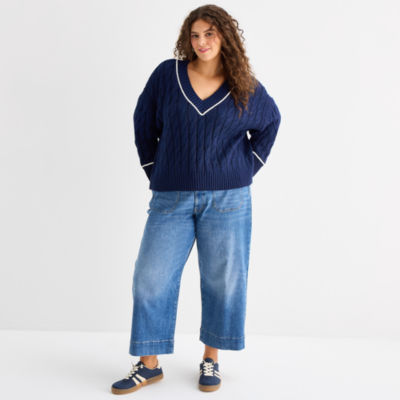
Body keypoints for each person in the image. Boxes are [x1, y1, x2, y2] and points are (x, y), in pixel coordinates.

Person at [111, 4, 281, 394]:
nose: (201, 42)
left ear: (225, 37)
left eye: (209, 33)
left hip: (229, 201)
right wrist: (156, 170)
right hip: (170, 199)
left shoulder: (244, 86)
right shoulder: (166, 75)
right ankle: (149, 365)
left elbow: (271, 122)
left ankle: (211, 359)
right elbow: (143, 122)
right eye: (195, 35)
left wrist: (245, 168)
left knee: (222, 280)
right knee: (150, 278)